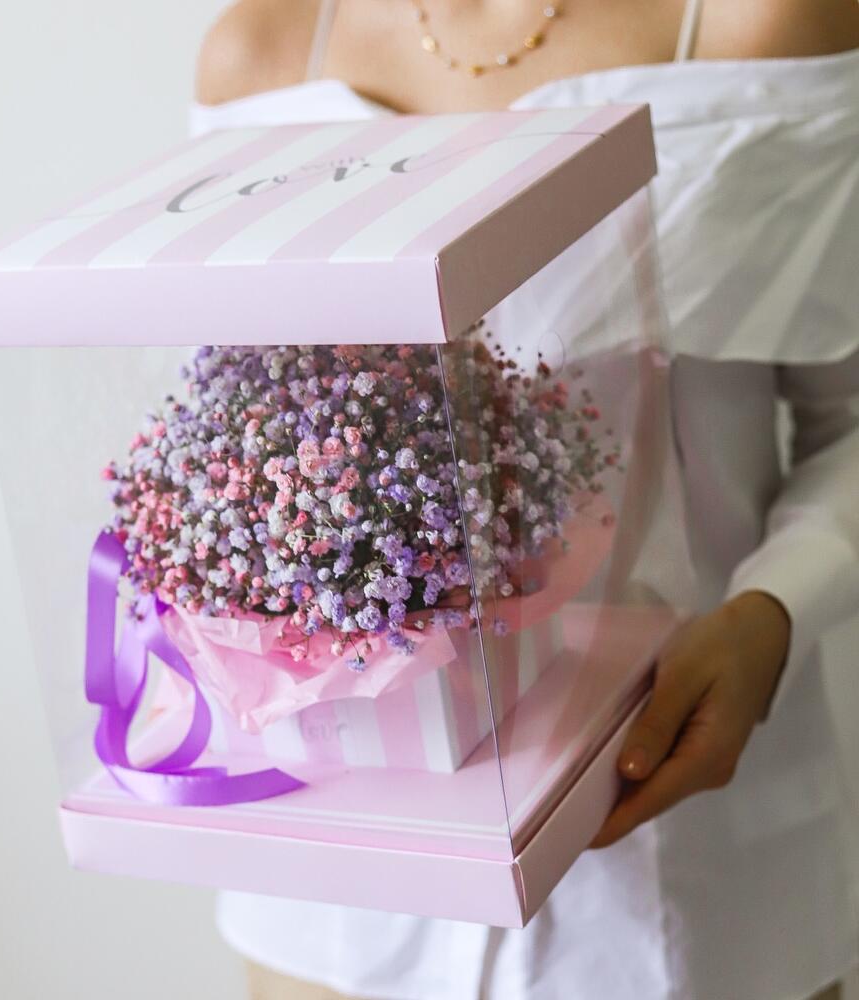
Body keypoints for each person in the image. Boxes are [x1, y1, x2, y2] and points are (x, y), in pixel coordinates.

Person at [192, 2, 859, 998]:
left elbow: (848, 418)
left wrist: (775, 611)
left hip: (684, 872)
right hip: (334, 905)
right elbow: (239, 431)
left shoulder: (759, 23)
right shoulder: (262, 55)